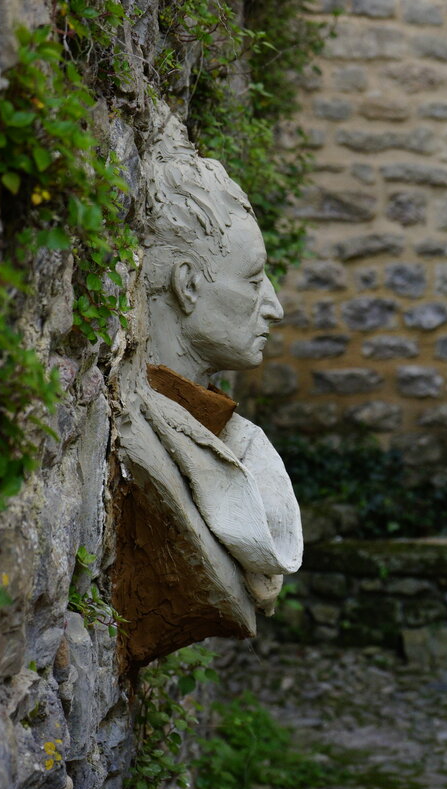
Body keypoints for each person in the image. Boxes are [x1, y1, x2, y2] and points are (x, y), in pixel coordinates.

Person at [113, 114, 302, 669]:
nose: (274, 306)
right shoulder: (142, 442)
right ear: (188, 284)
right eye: (252, 280)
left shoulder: (224, 440)